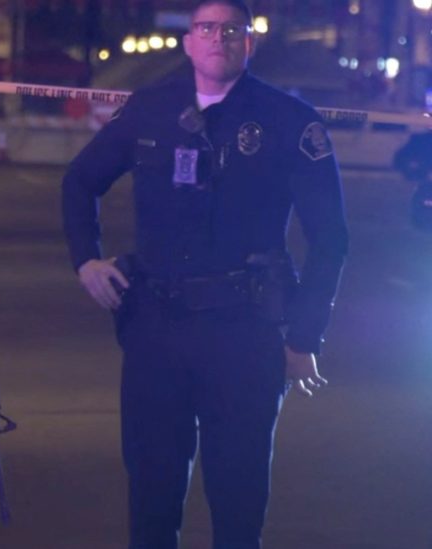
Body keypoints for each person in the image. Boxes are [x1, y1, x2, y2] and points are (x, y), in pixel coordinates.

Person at [61, 1, 349, 548]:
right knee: (151, 498)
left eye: (232, 29)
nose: (219, 38)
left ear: (249, 42)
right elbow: (79, 183)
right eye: (207, 28)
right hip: (157, 332)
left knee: (239, 506)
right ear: (189, 42)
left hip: (245, 334)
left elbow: (331, 237)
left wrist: (304, 336)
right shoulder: (149, 109)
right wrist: (86, 260)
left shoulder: (288, 120)